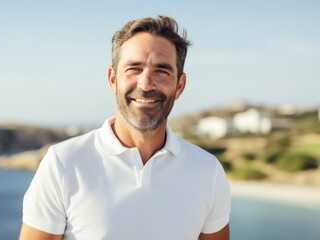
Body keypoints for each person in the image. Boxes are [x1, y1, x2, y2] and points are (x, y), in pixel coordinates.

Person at [19, 15, 231, 240]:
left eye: (161, 71)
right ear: (112, 79)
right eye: (134, 68)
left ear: (180, 86)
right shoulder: (62, 163)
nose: (146, 84)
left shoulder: (208, 171)